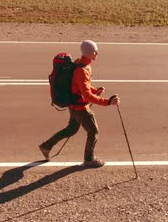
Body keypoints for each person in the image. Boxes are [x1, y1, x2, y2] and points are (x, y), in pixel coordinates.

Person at [39, 40, 121, 168]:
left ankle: (46, 146)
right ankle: (89, 159)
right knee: (93, 131)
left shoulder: (81, 63)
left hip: (73, 104)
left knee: (71, 129)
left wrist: (95, 90)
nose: (97, 53)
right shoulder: (81, 70)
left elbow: (83, 87)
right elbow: (87, 95)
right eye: (95, 51)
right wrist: (108, 102)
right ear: (88, 53)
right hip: (80, 107)